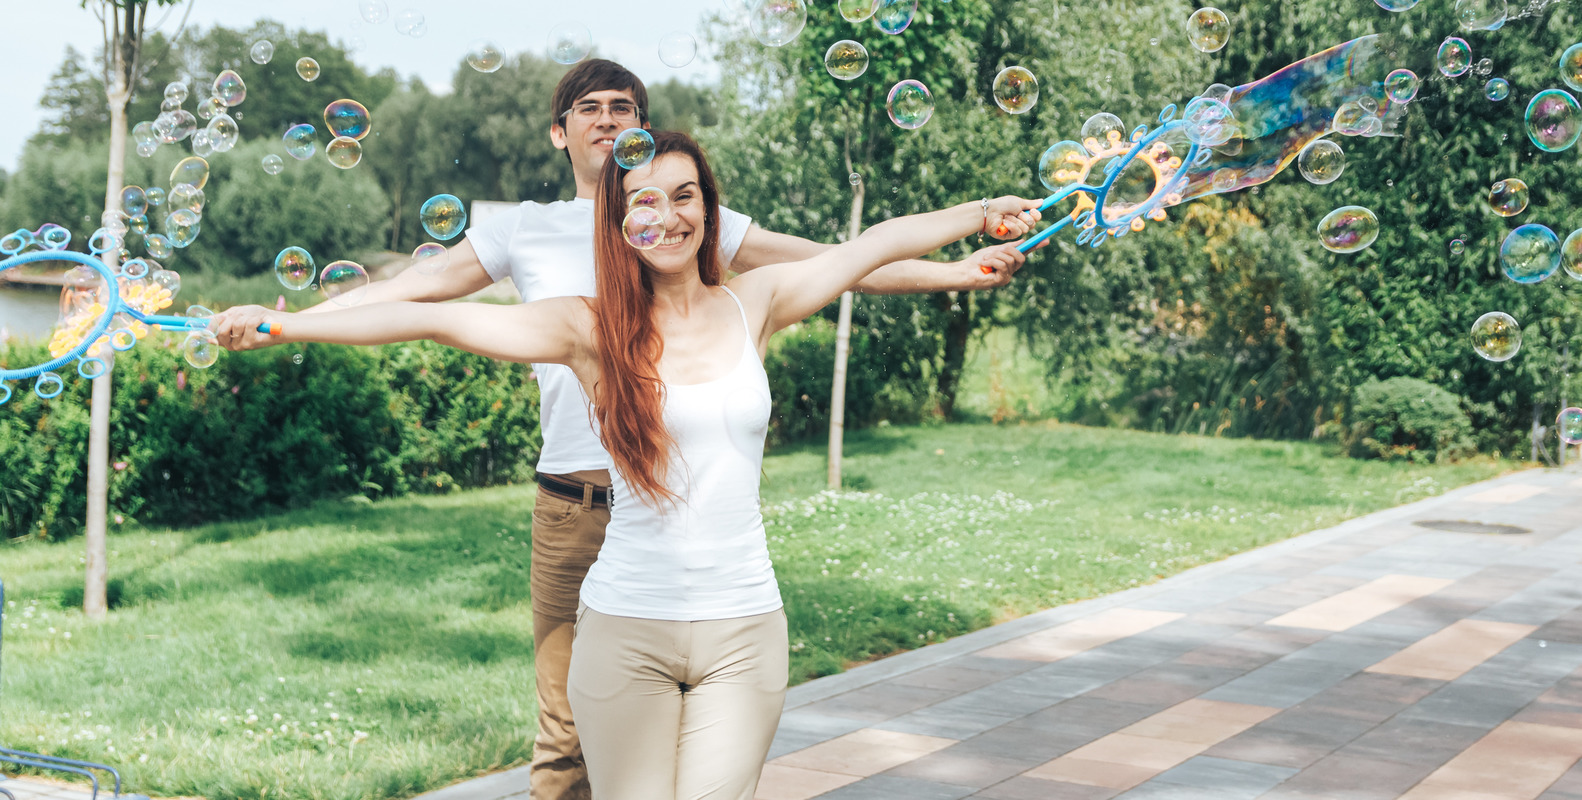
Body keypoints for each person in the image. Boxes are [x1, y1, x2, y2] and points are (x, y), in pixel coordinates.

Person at [216, 59, 1027, 800]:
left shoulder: (756, 300)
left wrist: (981, 219)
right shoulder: (586, 323)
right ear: (618, 216)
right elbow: (431, 315)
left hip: (743, 622)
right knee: (567, 751)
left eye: (686, 198)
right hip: (610, 583)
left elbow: (866, 248)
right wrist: (285, 325)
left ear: (709, 212)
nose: (668, 216)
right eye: (646, 201)